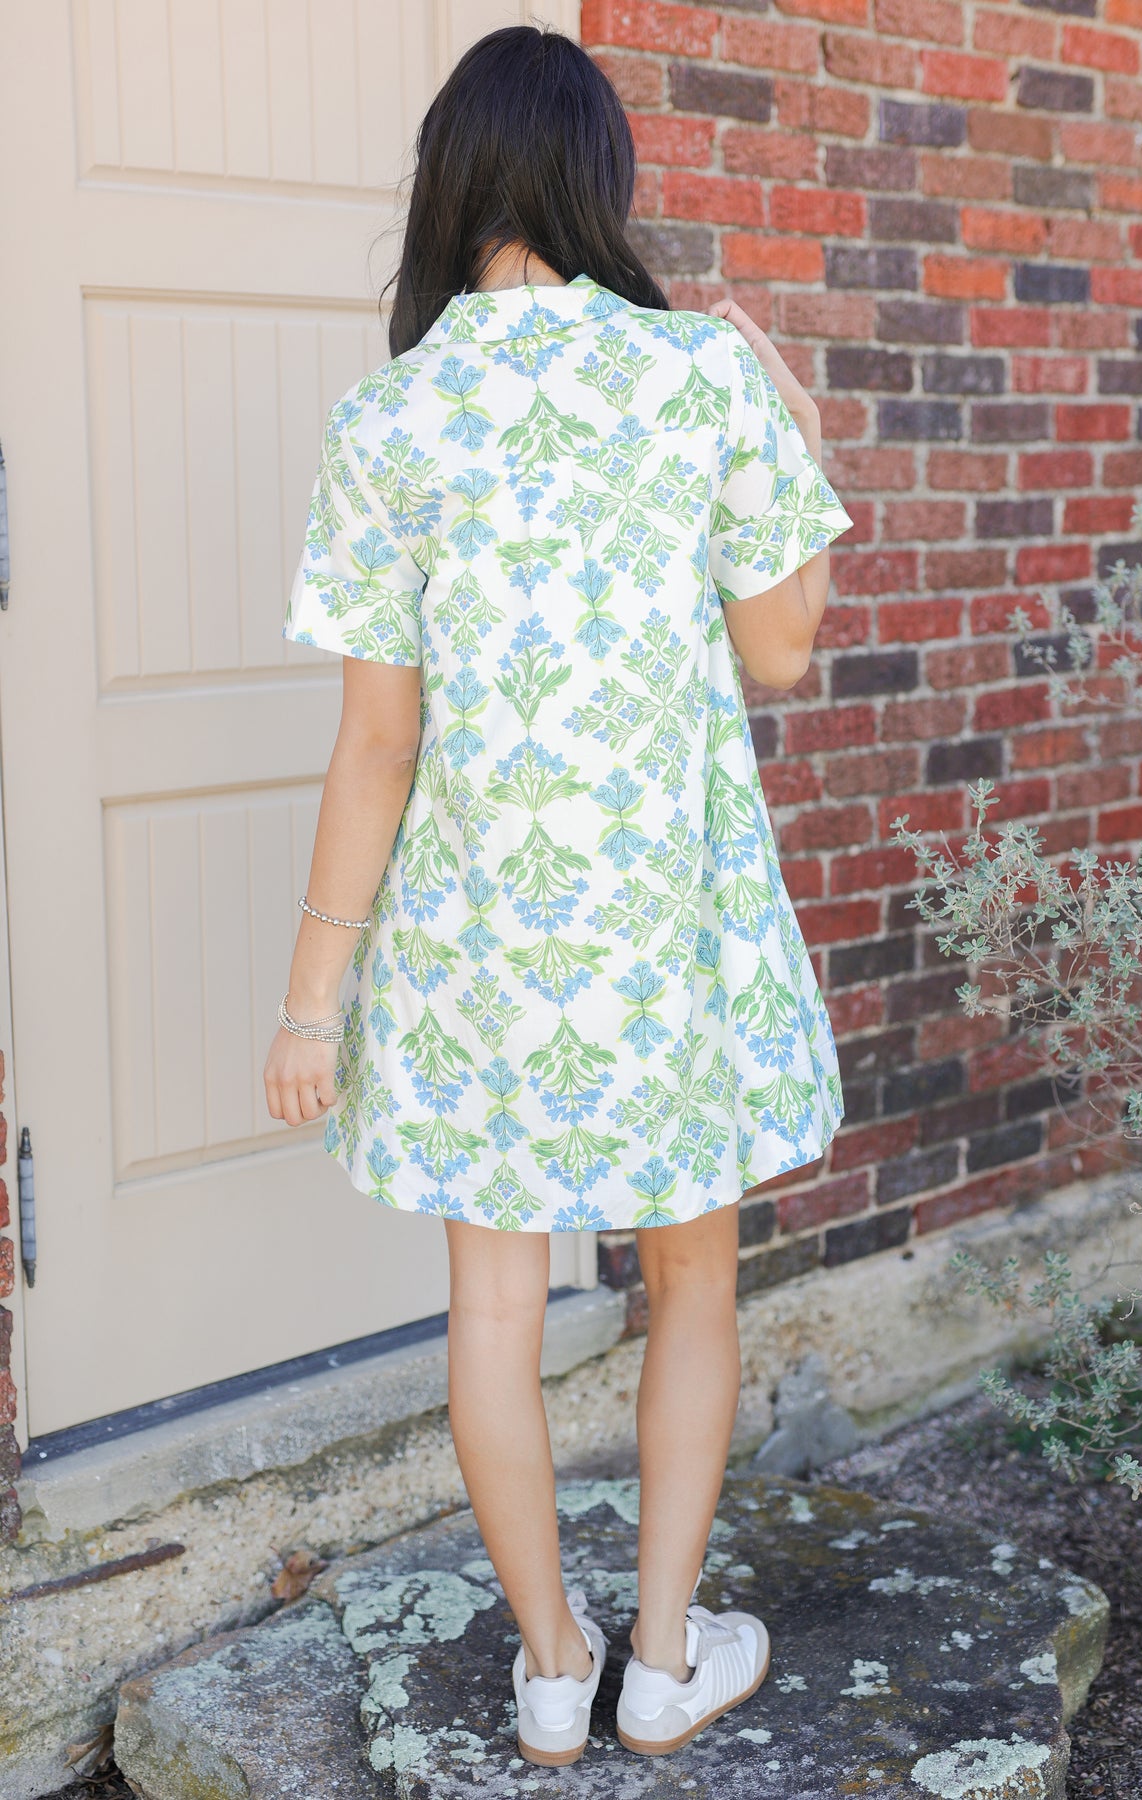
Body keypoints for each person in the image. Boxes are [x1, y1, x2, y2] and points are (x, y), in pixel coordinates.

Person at [263, 21, 853, 1771]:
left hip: (475, 951)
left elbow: (377, 746)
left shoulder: (394, 417)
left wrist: (313, 1006)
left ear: (447, 193)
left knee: (493, 1313)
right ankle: (665, 1661)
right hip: (667, 927)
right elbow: (782, 655)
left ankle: (547, 1670)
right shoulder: (703, 377)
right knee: (695, 1289)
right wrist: (800, 429)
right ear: (602, 181)